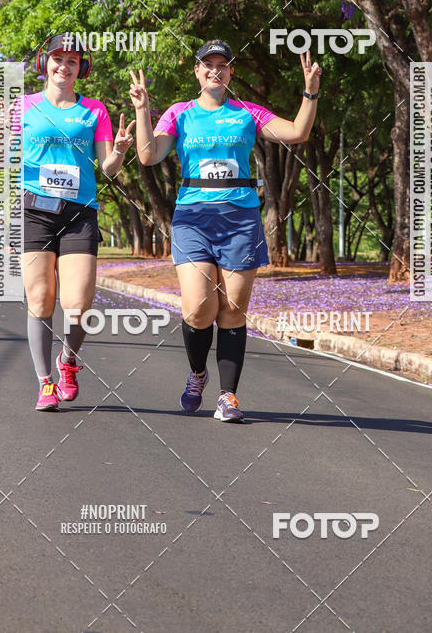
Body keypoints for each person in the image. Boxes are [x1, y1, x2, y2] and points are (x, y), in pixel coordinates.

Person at [130, 39, 321, 422]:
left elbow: (298, 132)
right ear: (197, 72)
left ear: (231, 72)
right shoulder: (180, 114)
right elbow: (149, 155)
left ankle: (228, 396)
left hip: (239, 217)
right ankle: (197, 373)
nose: (215, 70)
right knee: (199, 307)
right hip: (193, 217)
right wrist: (142, 111)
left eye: (222, 64)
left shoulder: (248, 113)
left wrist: (310, 92)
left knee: (233, 306)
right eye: (208, 65)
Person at [20, 33, 134, 411]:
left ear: (81, 68)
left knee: (78, 303)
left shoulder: (94, 111)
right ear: (44, 63)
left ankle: (68, 360)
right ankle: (44, 383)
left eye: (72, 61)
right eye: (57, 59)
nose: (63, 66)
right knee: (40, 298)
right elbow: (3, 163)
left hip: (79, 212)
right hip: (34, 210)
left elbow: (108, 168)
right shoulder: (22, 108)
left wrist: (118, 150)